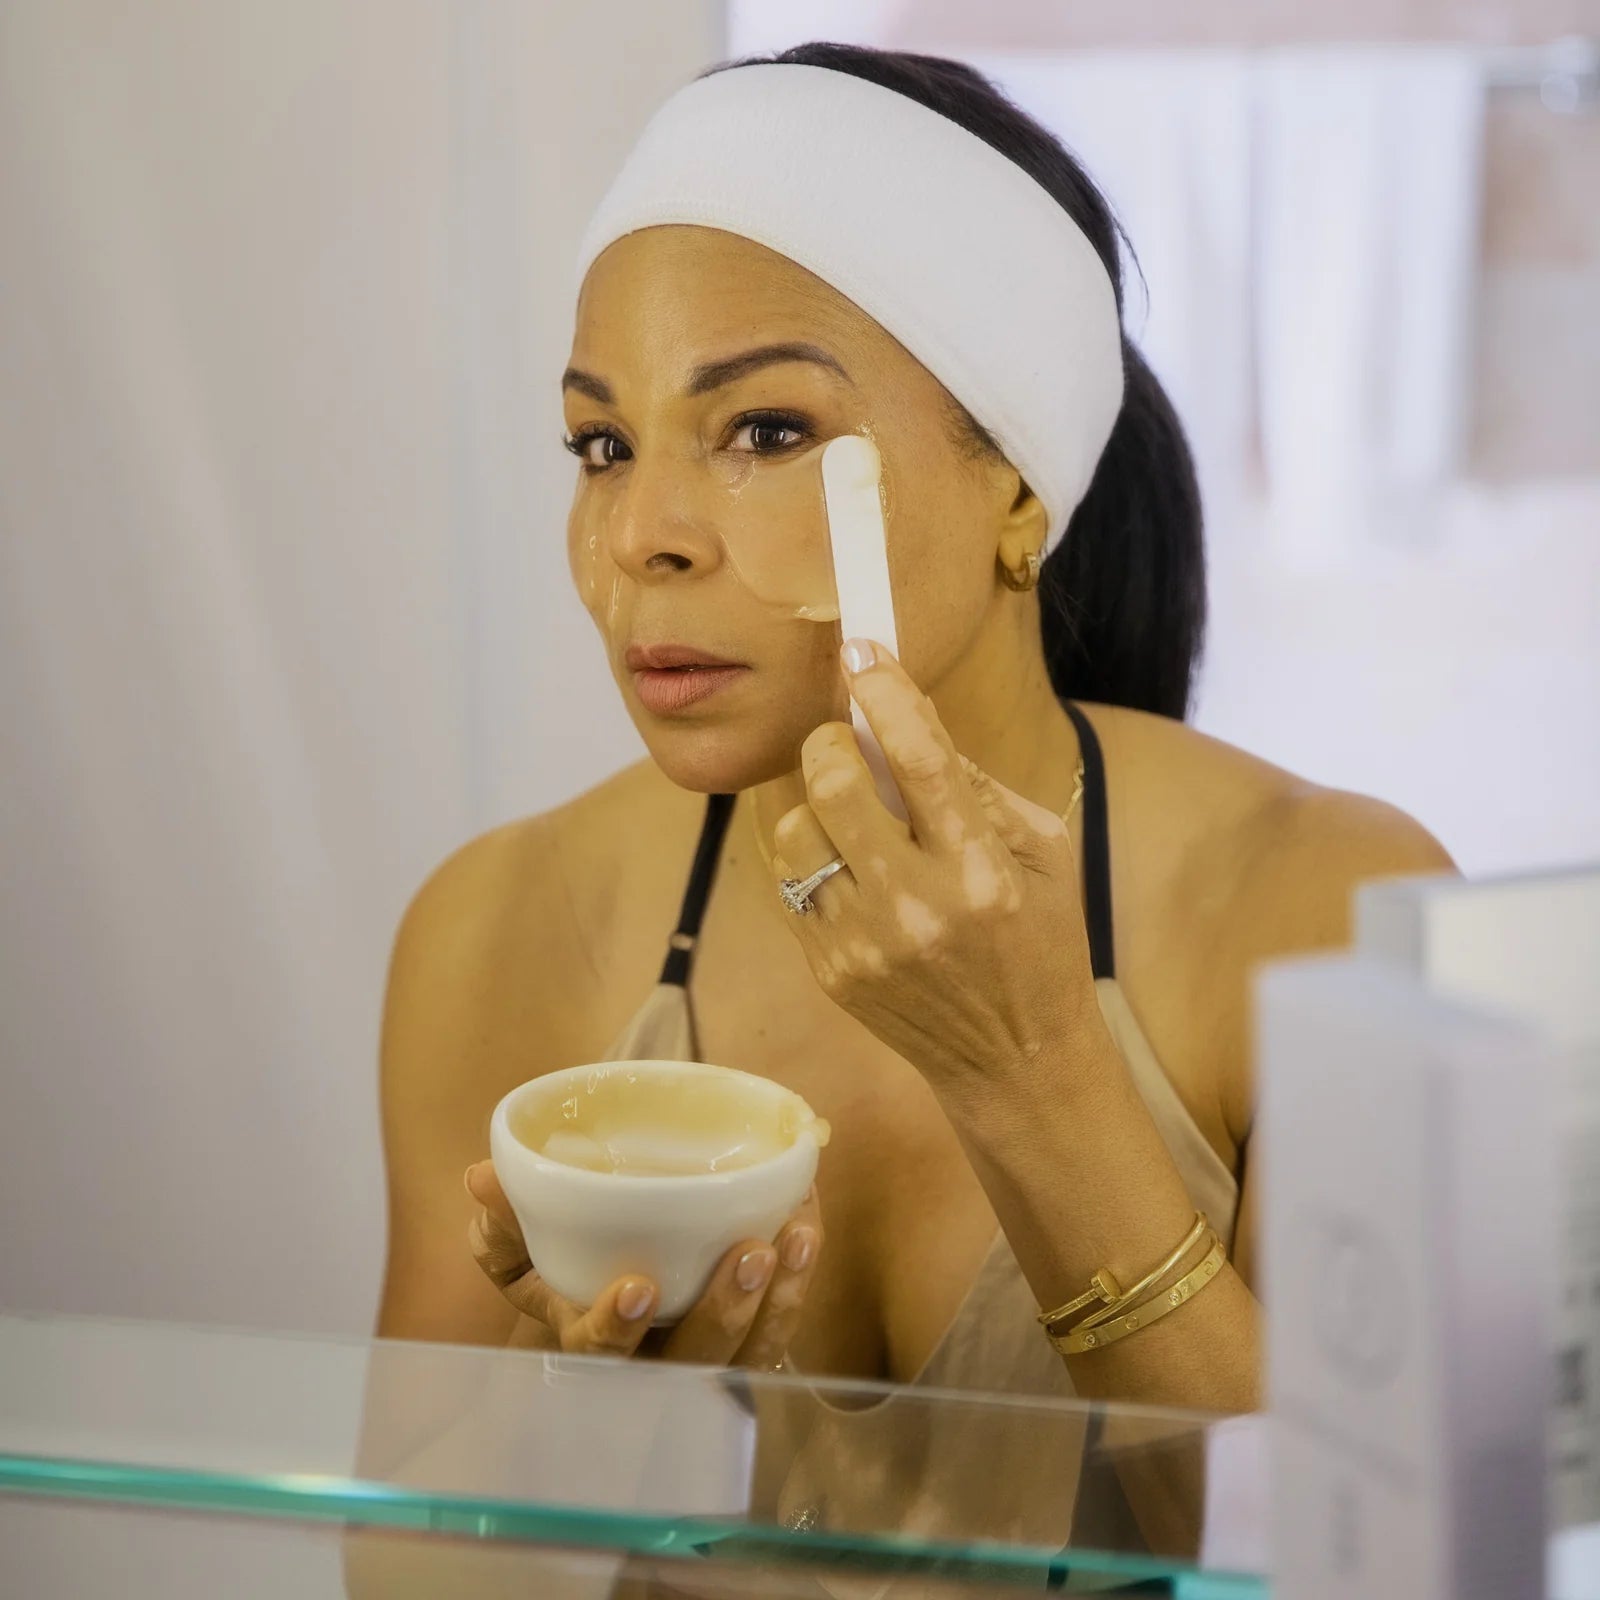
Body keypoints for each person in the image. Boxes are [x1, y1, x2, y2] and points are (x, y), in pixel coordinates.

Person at [363, 38, 1454, 1562]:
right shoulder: (504, 932)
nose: (643, 536)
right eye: (602, 445)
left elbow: (1379, 1568)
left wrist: (1036, 1071)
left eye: (766, 432)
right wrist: (591, 1395)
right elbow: (401, 1571)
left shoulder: (1320, 907)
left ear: (1020, 489)